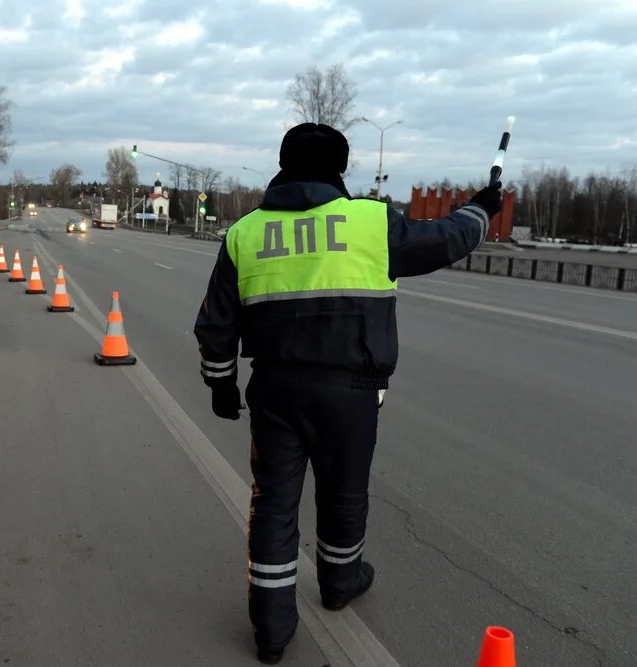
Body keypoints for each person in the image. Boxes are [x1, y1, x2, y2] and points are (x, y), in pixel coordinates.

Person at [193, 123, 503, 665]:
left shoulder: (246, 232)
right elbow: (445, 240)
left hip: (275, 389)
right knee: (344, 492)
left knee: (273, 504)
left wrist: (221, 381)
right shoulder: (369, 221)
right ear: (339, 168)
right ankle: (340, 581)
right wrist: (481, 207)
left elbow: (217, 324)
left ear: (284, 164)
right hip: (351, 390)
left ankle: (271, 629)